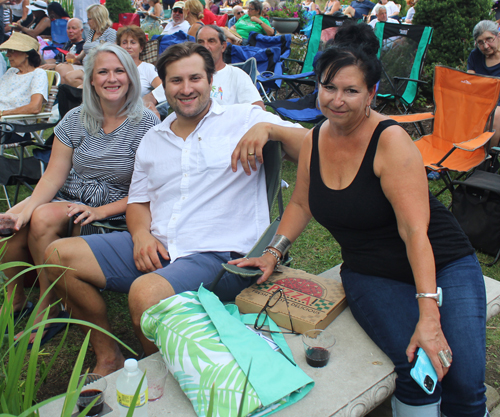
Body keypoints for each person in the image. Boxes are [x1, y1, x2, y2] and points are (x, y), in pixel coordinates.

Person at [230, 25, 488, 417]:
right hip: (372, 274)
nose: (337, 100)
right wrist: (272, 253)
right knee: (416, 367)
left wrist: (429, 313)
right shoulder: (315, 140)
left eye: (351, 91)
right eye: (329, 87)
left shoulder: (390, 142)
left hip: (443, 263)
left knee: (464, 379)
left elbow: (415, 231)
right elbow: (300, 204)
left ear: (371, 94)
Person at [44, 41, 307, 375]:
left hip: (220, 255)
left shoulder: (244, 117)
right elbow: (138, 201)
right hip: (159, 244)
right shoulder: (154, 137)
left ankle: (164, 382)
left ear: (211, 80)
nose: (186, 89)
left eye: (194, 78)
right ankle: (107, 355)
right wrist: (139, 236)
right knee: (57, 256)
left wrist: (271, 128)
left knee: (145, 294)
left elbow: (314, 147)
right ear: (163, 86)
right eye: (175, 81)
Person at [0, 43, 160, 347]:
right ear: (90, 80)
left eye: (119, 71)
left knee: (42, 215)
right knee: (14, 225)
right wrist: (23, 211)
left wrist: (99, 210)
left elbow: (149, 191)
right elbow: (52, 177)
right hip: (70, 197)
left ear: (130, 77)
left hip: (116, 211)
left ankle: (49, 307)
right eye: (103, 72)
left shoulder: (147, 124)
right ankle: (16, 297)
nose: (111, 78)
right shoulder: (76, 118)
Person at [143, 24, 264, 115]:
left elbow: (259, 110)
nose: (206, 47)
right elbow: (148, 98)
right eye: (201, 42)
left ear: (223, 46)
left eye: (211, 41)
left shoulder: (237, 75)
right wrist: (150, 107)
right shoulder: (185, 75)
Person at [59, 4, 117, 88]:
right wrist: (77, 58)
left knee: (69, 77)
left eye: (89, 19)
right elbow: (86, 48)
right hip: (86, 66)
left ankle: (89, 93)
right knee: (60, 68)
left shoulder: (110, 33)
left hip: (97, 69)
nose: (87, 21)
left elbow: (110, 54)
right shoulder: (92, 32)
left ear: (97, 18)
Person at [468, 20, 500, 148]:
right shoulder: (475, 55)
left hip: (498, 101)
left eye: (489, 39)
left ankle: (488, 158)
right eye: (480, 42)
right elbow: (470, 80)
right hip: (480, 98)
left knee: (496, 114)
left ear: (497, 36)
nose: (486, 46)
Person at [0, 32, 47, 118]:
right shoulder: (11, 72)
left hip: (13, 124)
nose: (7, 55)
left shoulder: (38, 74)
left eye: (12, 51)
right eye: (8, 51)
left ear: (26, 53)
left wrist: (3, 113)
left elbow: (35, 107)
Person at [117, 25, 162, 97]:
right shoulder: (113, 68)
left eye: (133, 42)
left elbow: (162, 89)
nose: (128, 46)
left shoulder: (147, 68)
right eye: (124, 42)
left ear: (141, 48)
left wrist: (150, 98)